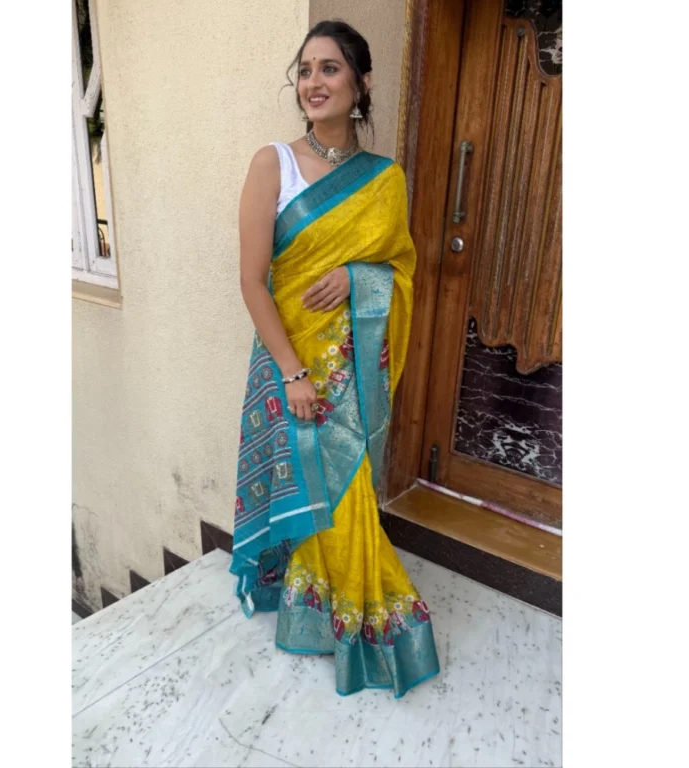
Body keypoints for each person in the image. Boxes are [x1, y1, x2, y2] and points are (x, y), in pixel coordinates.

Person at [230, 19, 440, 698]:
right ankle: (325, 605)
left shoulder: (384, 179)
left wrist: (357, 278)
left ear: (362, 83)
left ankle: (350, 613)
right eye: (305, 69)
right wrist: (292, 373)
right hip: (288, 362)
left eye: (330, 68)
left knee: (348, 493)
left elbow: (399, 272)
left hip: (350, 371)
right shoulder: (274, 163)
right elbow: (252, 281)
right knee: (311, 487)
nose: (313, 82)